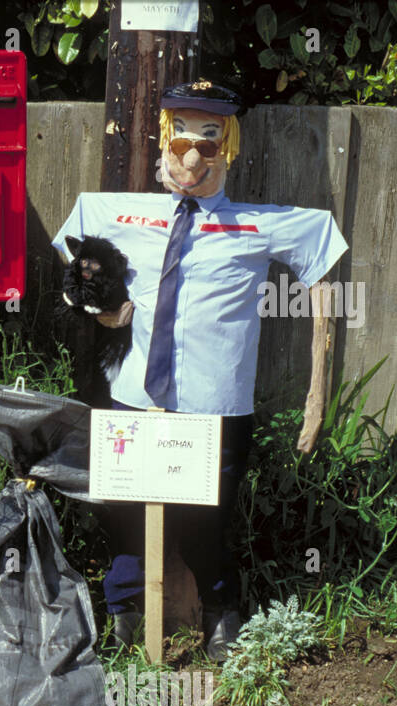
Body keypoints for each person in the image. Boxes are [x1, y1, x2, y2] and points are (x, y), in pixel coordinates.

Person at [51, 79, 348, 660]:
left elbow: (322, 264)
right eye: (182, 135)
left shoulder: (257, 224)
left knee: (208, 519)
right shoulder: (122, 212)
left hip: (214, 407)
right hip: (134, 399)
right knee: (123, 512)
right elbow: (72, 256)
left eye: (210, 137)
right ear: (164, 142)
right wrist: (100, 307)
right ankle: (125, 615)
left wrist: (318, 396)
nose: (193, 151)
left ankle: (220, 615)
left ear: (229, 145)